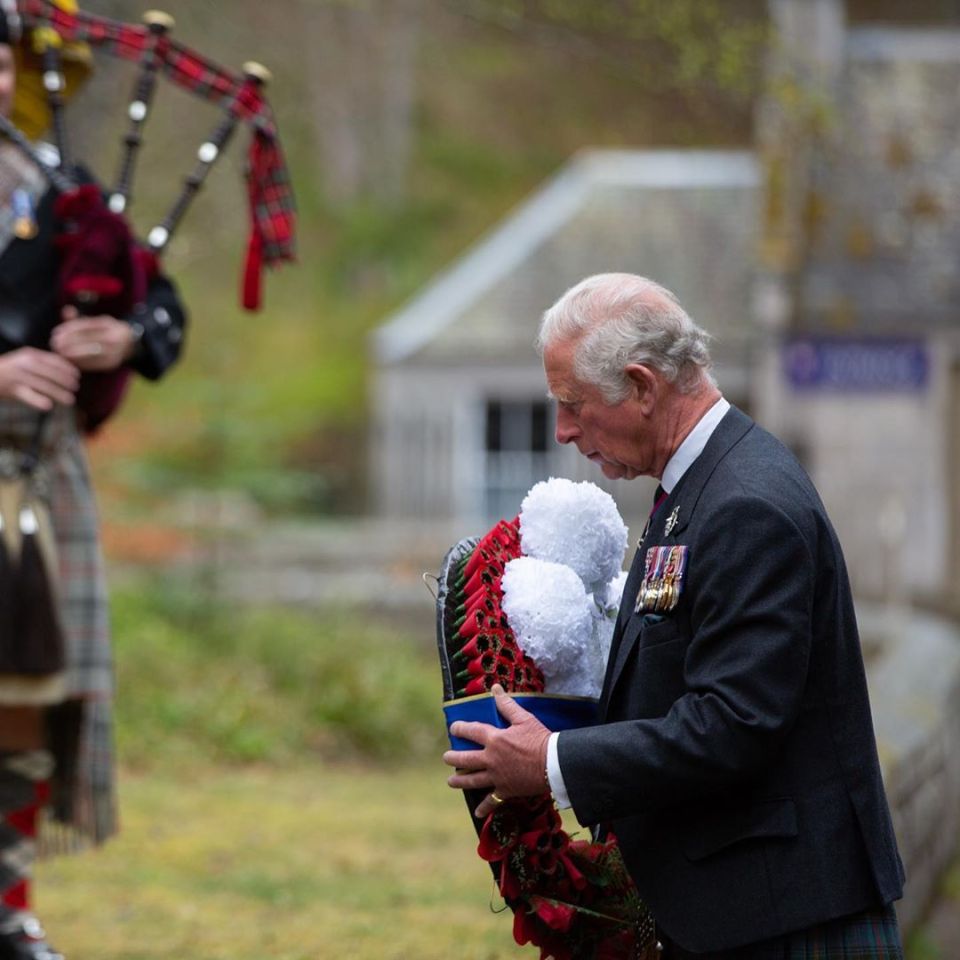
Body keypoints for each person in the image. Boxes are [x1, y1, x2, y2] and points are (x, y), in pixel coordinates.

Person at [444, 273, 905, 959]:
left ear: (642, 385)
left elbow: (734, 723)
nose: (565, 430)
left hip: (785, 922)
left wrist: (552, 762)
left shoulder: (746, 502)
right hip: (743, 907)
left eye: (573, 405)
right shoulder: (702, 485)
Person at [0, 10, 187, 959]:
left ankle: (7, 904)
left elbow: (163, 311)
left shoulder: (59, 189)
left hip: (41, 484)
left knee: (29, 703)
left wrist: (124, 336)